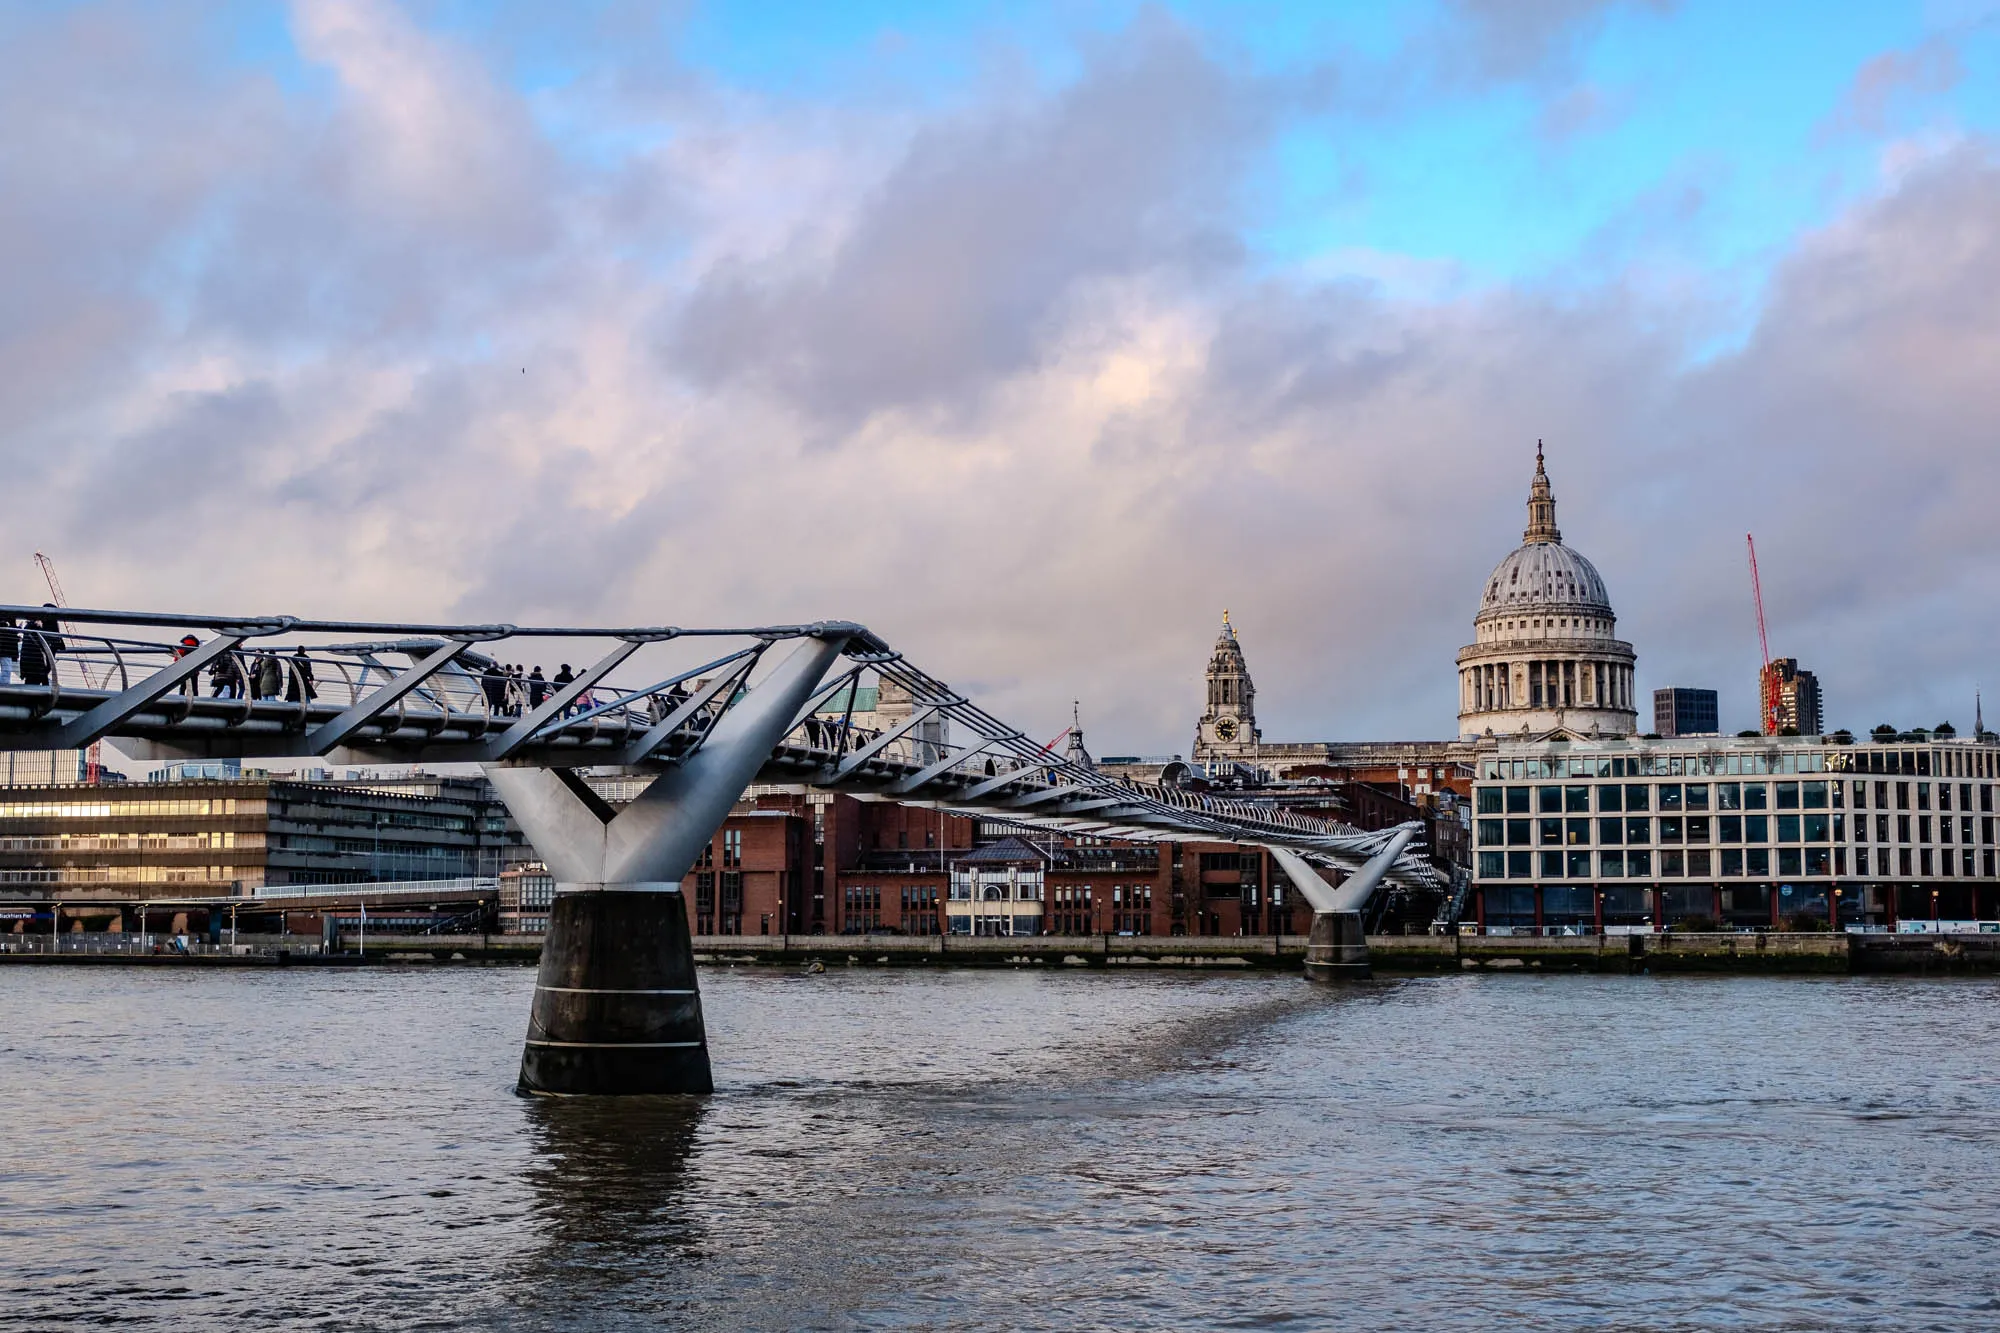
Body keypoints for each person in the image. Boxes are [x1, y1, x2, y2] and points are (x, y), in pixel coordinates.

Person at [21, 607, 65, 688]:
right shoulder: (44, 628)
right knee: (38, 687)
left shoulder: (32, 627)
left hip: (30, 663)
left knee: (32, 687)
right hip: (38, 664)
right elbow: (61, 646)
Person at [0, 611, 17, 686]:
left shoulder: (9, 628)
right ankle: (4, 685)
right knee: (7, 670)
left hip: (6, 650)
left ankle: (4, 684)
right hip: (6, 650)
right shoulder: (10, 628)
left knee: (7, 670)